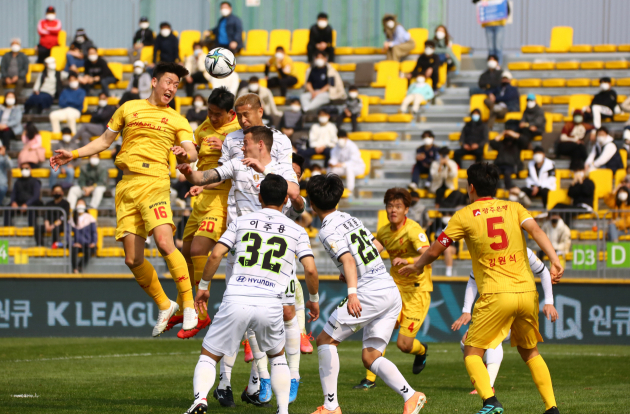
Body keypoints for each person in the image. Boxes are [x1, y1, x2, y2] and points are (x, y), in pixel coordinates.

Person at [399, 161, 563, 414]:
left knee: (472, 351)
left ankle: (490, 401)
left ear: (471, 187)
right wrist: (555, 259)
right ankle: (552, 407)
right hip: (527, 292)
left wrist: (418, 266)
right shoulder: (515, 207)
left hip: (496, 294)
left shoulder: (464, 215)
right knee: (530, 352)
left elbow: (435, 249)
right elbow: (537, 230)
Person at [50, 62, 200, 337]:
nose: (172, 89)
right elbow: (104, 141)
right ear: (154, 82)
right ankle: (165, 305)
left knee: (165, 242)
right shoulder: (128, 108)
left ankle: (188, 306)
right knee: (132, 259)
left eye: (177, 85)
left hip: (155, 182)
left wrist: (183, 153)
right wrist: (74, 153)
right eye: (169, 82)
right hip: (127, 185)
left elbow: (192, 152)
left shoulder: (178, 119)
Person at [180, 93, 296, 406]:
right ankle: (232, 383)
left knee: (276, 317)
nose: (242, 123)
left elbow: (294, 191)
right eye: (239, 116)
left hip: (273, 237)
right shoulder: (233, 146)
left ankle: (273, 379)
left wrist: (203, 285)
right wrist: (194, 177)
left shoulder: (280, 144)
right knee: (247, 318)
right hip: (241, 236)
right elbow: (219, 174)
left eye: (247, 116)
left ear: (261, 112)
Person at [182, 174, 319, 414]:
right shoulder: (296, 230)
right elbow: (309, 268)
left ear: (259, 196)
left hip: (237, 297)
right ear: (286, 199)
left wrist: (203, 286)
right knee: (277, 357)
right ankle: (283, 410)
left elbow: (215, 255)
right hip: (271, 302)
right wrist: (314, 300)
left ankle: (200, 399)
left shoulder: (241, 222)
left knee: (209, 354)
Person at [306, 174, 427, 414]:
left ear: (312, 203)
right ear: (337, 200)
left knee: (324, 340)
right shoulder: (350, 218)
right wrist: (352, 273)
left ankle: (331, 407)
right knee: (371, 356)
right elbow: (370, 248)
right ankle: (412, 396)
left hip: (369, 292)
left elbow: (349, 259)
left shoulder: (327, 229)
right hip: (389, 289)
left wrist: (352, 291)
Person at [170, 86, 239, 341]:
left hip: (223, 197)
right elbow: (195, 153)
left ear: (230, 113)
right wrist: (184, 158)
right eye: (209, 112)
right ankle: (186, 307)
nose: (212, 117)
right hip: (201, 195)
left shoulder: (237, 133)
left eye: (217, 114)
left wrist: (227, 146)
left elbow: (239, 165)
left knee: (199, 249)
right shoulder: (204, 127)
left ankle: (201, 313)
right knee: (186, 252)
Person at [450, 247, 558, 395]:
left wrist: (549, 302)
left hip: (518, 307)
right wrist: (466, 310)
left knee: (499, 340)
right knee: (465, 343)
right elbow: (473, 279)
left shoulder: (523, 249)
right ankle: (486, 379)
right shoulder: (485, 249)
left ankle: (488, 385)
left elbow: (543, 271)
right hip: (498, 305)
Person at [353, 188, 431, 390]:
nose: (393, 210)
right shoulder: (385, 232)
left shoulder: (414, 230)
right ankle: (370, 379)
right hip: (393, 289)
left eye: (398, 206)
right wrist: (350, 266)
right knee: (380, 329)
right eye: (389, 206)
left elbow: (429, 253)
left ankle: (421, 351)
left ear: (406, 209)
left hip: (416, 291)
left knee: (404, 345)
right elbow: (370, 253)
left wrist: (408, 260)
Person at [490, 124, 528, 190]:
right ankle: (495, 190)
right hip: (500, 165)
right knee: (493, 173)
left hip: (512, 165)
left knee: (507, 173)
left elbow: (525, 141)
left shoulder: (517, 143)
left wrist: (513, 134)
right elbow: (492, 143)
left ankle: (509, 189)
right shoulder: (501, 143)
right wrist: (502, 134)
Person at [4, 163, 43, 227]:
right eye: (22, 168)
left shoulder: (35, 181)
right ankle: (7, 230)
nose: (24, 170)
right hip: (19, 204)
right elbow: (13, 194)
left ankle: (32, 229)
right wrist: (13, 202)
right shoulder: (18, 181)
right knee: (7, 209)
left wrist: (27, 204)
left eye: (26, 168)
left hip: (31, 204)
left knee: (32, 210)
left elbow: (36, 196)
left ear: (30, 169)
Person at [475, 0, 508, 66]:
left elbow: (507, 10)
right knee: (490, 48)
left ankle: (498, 65)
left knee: (498, 47)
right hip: (488, 24)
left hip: (499, 24)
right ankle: (491, 65)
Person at [68, 198, 97, 273]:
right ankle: (74, 269)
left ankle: (80, 267)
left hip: (88, 244)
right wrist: (73, 243)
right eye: (79, 204)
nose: (80, 206)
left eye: (82, 204)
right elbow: (67, 233)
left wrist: (93, 243)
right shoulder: (72, 219)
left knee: (90, 251)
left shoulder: (90, 218)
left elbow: (94, 232)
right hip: (77, 244)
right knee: (73, 251)